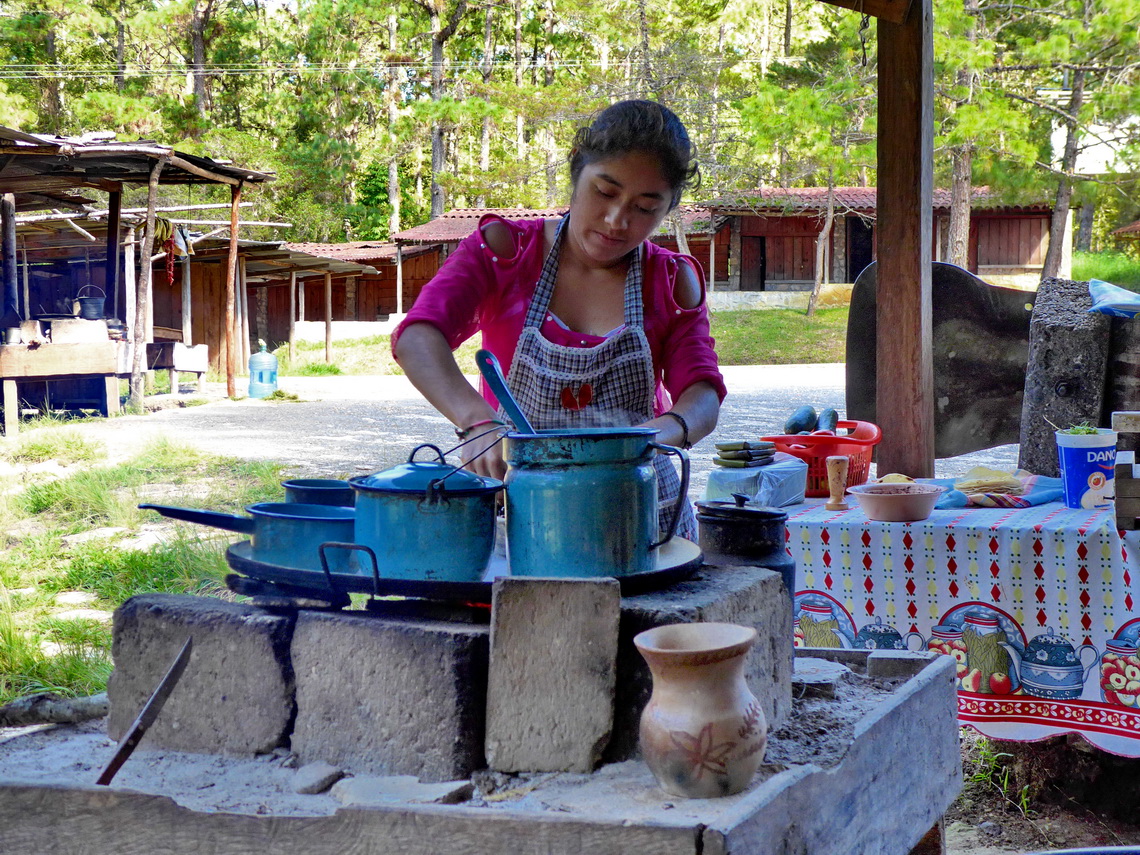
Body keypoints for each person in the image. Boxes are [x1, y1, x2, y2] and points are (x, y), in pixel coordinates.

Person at [392, 99, 725, 540]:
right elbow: (418, 337)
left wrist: (671, 429)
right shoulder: (505, 252)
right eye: (605, 192)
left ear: (668, 209)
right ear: (576, 171)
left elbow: (701, 392)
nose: (616, 220)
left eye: (645, 207)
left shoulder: (671, 280)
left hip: (641, 515)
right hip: (520, 509)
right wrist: (475, 420)